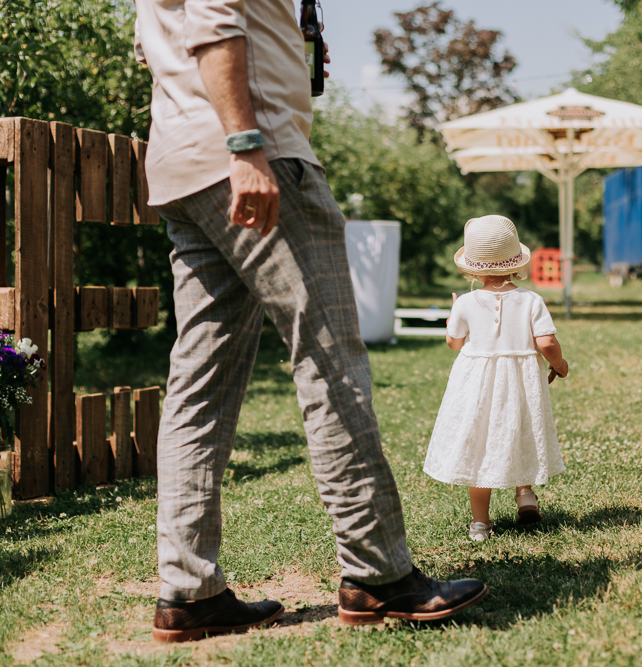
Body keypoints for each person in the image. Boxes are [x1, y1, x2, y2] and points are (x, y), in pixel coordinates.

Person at [133, 0, 488, 643]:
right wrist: (246, 145)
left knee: (199, 385)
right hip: (253, 157)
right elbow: (214, 22)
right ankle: (378, 573)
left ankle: (189, 591)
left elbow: (156, 45)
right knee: (330, 362)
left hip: (180, 165)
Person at [423, 215, 569, 542]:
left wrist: (452, 318)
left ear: (473, 268)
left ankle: (480, 525)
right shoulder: (531, 300)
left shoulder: (465, 302)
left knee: (480, 445)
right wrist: (560, 365)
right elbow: (546, 342)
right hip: (521, 384)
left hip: (477, 386)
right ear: (516, 262)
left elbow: (454, 343)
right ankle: (525, 495)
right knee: (519, 431)